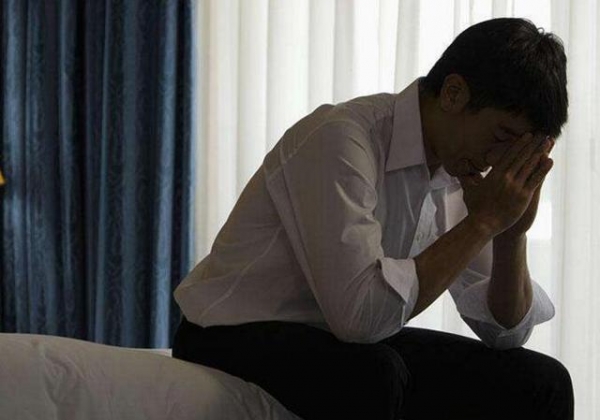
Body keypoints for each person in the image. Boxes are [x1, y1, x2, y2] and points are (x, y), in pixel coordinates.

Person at [172, 17, 574, 420]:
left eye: (519, 152)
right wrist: (482, 223)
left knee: (543, 382)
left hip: (334, 336)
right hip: (228, 329)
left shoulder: (462, 173)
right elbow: (359, 318)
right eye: (502, 138)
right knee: (375, 375)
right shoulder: (342, 138)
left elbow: (504, 332)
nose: (498, 161)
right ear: (453, 94)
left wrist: (510, 234)